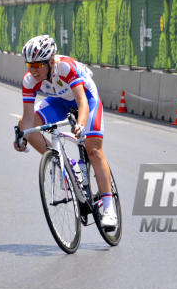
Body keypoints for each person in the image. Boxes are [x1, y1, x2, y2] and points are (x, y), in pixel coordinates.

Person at [13, 35, 117, 229]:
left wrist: (80, 124)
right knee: (24, 125)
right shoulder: (29, 80)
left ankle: (109, 209)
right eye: (30, 65)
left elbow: (82, 102)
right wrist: (22, 136)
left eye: (38, 66)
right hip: (59, 101)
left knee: (93, 149)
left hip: (86, 98)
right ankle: (61, 161)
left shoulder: (65, 67)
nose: (33, 70)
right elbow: (28, 118)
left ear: (51, 62)